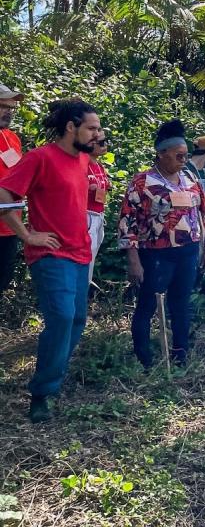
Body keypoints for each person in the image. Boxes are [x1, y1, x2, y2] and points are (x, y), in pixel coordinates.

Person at [0, 99, 102, 422]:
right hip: (49, 253)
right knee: (61, 317)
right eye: (91, 128)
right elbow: (4, 192)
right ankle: (41, 393)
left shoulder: (84, 160)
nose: (97, 134)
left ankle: (51, 380)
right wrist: (27, 234)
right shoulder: (40, 158)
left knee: (76, 321)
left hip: (80, 252)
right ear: (71, 127)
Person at [118, 120, 205, 369]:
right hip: (156, 253)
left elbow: (203, 215)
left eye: (185, 155)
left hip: (188, 251)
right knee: (148, 303)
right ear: (161, 154)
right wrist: (133, 259)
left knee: (181, 303)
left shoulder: (190, 179)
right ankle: (143, 357)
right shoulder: (143, 182)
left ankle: (180, 352)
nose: (183, 159)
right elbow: (128, 222)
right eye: (178, 155)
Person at [0, 82, 24, 292]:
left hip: (10, 226)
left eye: (11, 107)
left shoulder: (11, 138)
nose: (9, 111)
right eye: (3, 105)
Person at [86, 132, 111, 283]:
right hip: (86, 215)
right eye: (101, 142)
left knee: (91, 259)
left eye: (106, 142)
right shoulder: (83, 164)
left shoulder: (99, 166)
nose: (105, 145)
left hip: (98, 216)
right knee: (85, 261)